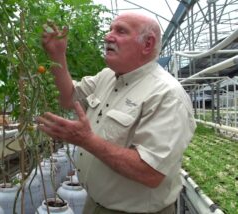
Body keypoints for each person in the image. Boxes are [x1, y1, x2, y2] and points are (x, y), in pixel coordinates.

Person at [37, 12, 196, 214]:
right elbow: (69, 98)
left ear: (147, 44)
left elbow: (150, 172)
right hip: (94, 204)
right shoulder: (107, 77)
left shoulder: (167, 95)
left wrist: (86, 140)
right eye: (111, 29)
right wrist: (57, 55)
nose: (108, 36)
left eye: (120, 31)